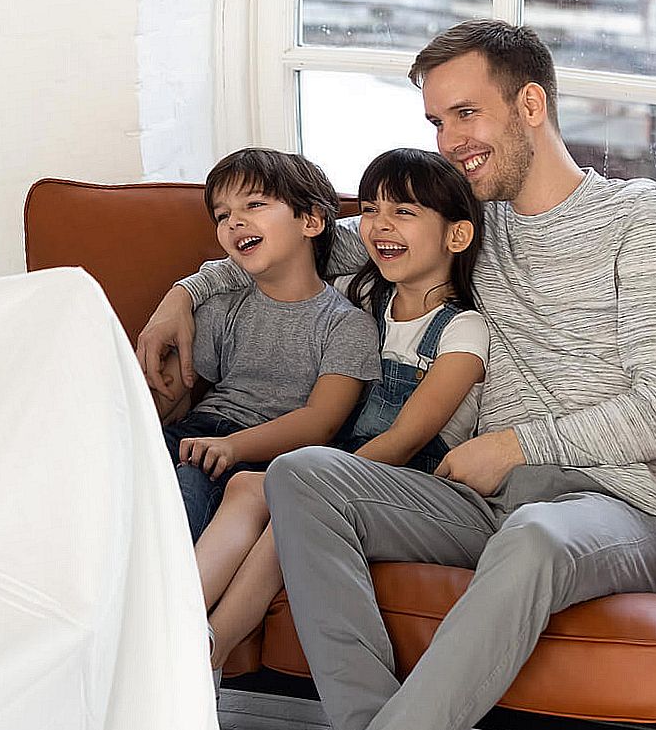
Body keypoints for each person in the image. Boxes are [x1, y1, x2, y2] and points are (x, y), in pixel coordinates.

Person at [138, 20, 656, 730]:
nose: (449, 141)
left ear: (531, 103)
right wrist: (181, 294)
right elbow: (302, 238)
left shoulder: (639, 218)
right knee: (302, 475)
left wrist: (514, 442)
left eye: (465, 114)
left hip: (616, 506)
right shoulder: (462, 221)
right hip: (482, 499)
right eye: (436, 121)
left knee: (536, 534)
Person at [198, 147, 488, 678]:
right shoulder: (360, 294)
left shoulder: (462, 331)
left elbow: (402, 442)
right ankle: (179, 620)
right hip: (342, 466)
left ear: (456, 236)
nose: (379, 225)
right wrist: (182, 296)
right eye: (373, 209)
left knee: (288, 497)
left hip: (407, 479)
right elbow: (259, 271)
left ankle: (210, 650)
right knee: (247, 486)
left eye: (403, 212)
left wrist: (317, 474)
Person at [152, 148, 380, 541]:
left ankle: (164, 594)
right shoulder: (221, 307)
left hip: (266, 455)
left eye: (254, 204)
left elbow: (320, 422)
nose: (235, 221)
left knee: (186, 492)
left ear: (310, 221)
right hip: (197, 434)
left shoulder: (348, 325)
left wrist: (232, 447)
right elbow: (171, 392)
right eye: (223, 216)